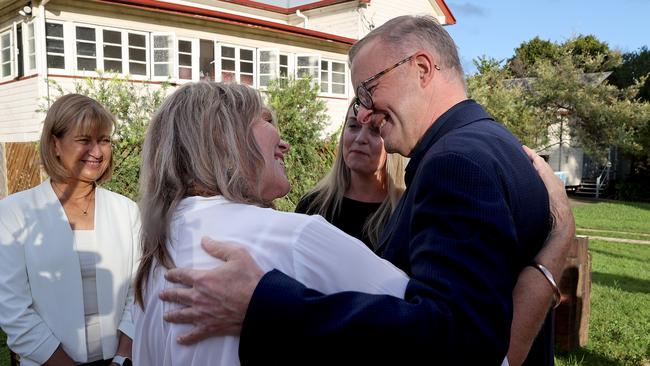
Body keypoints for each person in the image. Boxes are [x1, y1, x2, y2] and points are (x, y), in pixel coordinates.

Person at [160, 16, 575, 366]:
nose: (363, 111)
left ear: (422, 69)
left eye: (368, 88)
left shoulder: (455, 163)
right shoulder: (487, 142)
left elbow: (457, 338)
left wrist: (267, 302)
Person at [132, 81, 410, 366]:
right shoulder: (292, 237)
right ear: (223, 137)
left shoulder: (158, 250)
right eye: (264, 120)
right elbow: (430, 323)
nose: (284, 142)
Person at [0, 94, 139, 366]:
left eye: (104, 140)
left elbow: (138, 293)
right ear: (55, 144)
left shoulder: (127, 211)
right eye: (84, 140)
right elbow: (13, 308)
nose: (97, 152)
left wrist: (122, 357)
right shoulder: (14, 213)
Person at [295, 101, 407, 248]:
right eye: (353, 126)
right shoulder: (312, 206)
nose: (360, 138)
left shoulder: (406, 213)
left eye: (375, 130)